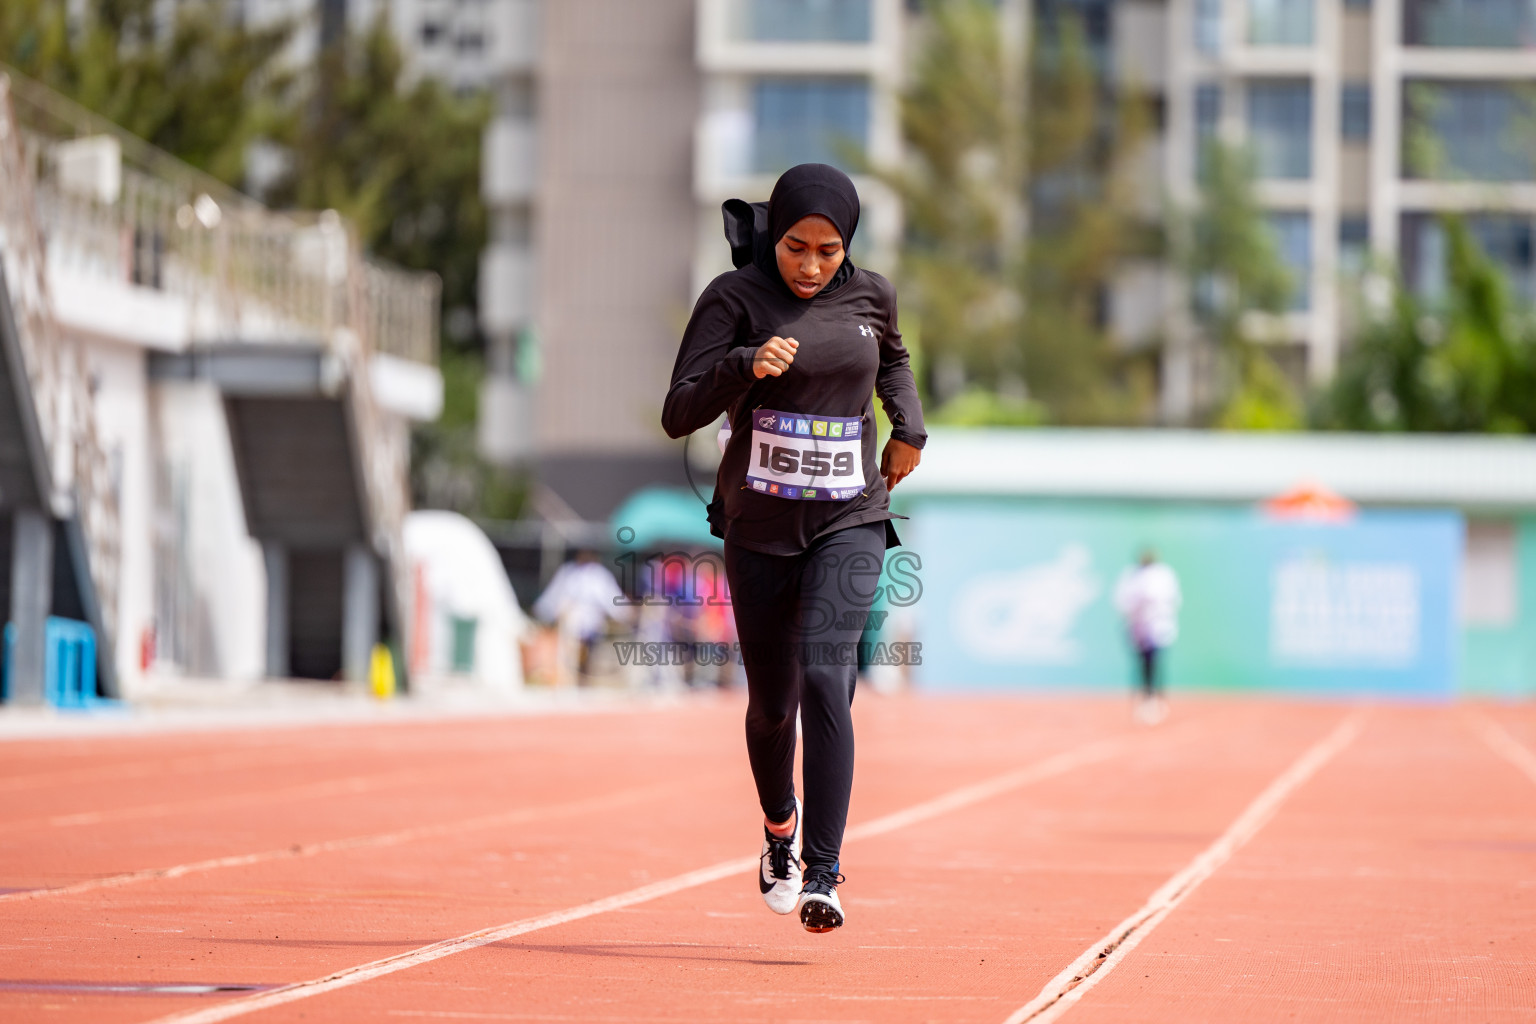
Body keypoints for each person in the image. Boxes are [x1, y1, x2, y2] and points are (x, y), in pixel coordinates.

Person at [662, 163, 926, 933]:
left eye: (828, 250)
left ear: (848, 245)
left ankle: (824, 872)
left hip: (851, 518)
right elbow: (679, 411)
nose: (812, 266)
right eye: (796, 248)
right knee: (774, 707)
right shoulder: (733, 298)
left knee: (826, 671)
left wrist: (907, 428)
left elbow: (897, 362)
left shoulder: (871, 295)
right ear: (772, 237)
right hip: (760, 528)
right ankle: (779, 828)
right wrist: (744, 364)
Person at [1113, 550, 1182, 724]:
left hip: (1158, 625)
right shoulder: (1131, 575)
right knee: (1141, 662)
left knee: (1155, 661)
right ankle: (1144, 697)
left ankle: (1156, 697)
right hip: (1138, 626)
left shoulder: (1164, 575)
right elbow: (1123, 600)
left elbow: (1172, 598)